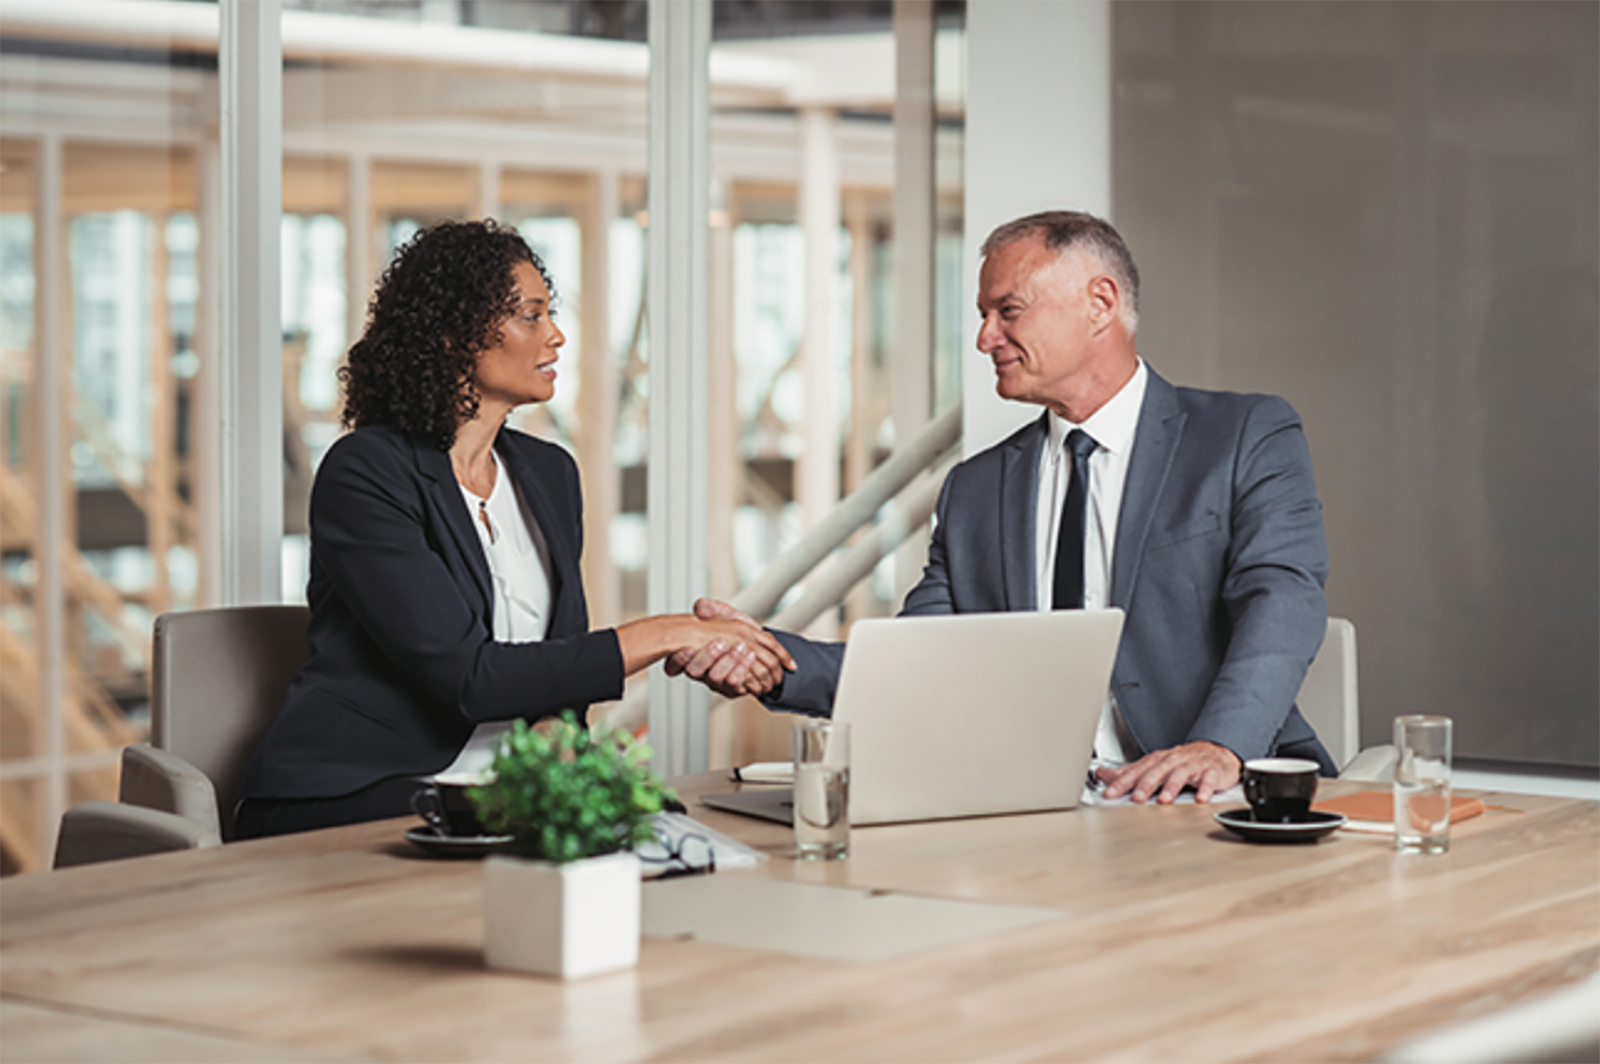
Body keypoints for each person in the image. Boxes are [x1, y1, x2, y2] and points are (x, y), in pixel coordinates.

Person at [675, 210, 1333, 804]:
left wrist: (1220, 747)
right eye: (982, 316)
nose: (986, 338)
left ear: (1100, 303)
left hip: (1216, 799)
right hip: (1030, 809)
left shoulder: (1244, 436)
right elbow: (921, 662)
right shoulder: (975, 489)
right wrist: (770, 659)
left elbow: (1284, 601)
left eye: (1008, 310)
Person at [236, 220, 791, 838]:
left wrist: (559, 735)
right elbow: (470, 679)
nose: (555, 335)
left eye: (549, 313)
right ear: (453, 337)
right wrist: (667, 632)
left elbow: (558, 666)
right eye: (530, 316)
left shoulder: (549, 474)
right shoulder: (366, 472)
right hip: (362, 794)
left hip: (508, 789)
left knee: (678, 833)